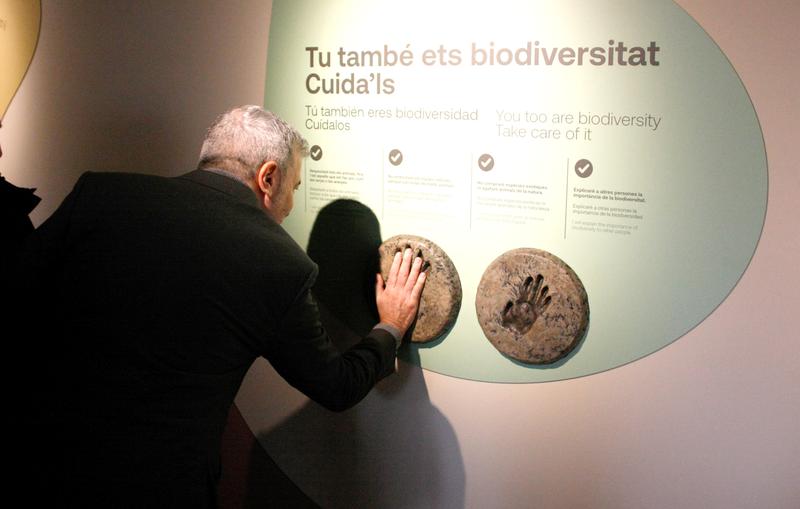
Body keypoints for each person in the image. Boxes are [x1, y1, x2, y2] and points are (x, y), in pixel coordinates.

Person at [5, 105, 426, 507]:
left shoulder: (100, 195)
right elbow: (336, 386)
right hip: (159, 489)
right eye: (294, 188)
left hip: (38, 464)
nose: (290, 205)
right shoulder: (279, 264)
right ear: (268, 178)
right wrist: (389, 325)